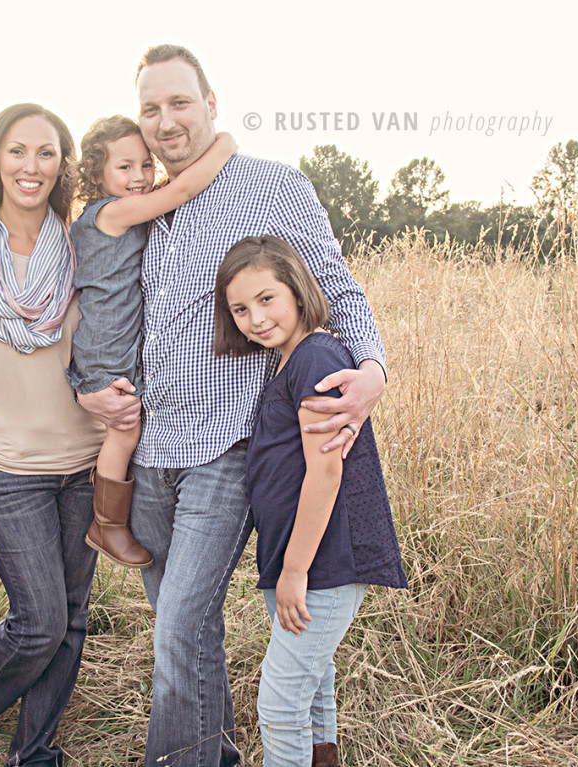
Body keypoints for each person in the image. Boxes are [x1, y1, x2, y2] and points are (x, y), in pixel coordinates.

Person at [76, 45, 388, 766]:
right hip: (148, 448)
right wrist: (84, 383)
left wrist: (372, 365)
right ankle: (220, 751)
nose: (165, 121)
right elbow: (94, 305)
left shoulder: (272, 185)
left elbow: (336, 287)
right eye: (150, 108)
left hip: (226, 442)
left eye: (179, 102)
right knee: (181, 626)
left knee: (180, 622)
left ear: (212, 104)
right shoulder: (138, 201)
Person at [0, 103, 104, 767]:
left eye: (46, 152)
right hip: (8, 466)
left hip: (86, 463)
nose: (31, 166)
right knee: (39, 619)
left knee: (72, 614)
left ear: (63, 165)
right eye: (17, 150)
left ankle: (34, 750)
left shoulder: (86, 245)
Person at [214, 235, 407, 767]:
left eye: (266, 298)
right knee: (315, 685)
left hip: (320, 562)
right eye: (240, 309)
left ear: (297, 290)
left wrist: (294, 569)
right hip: (299, 558)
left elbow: (326, 470)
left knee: (279, 704)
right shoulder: (288, 361)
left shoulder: (316, 356)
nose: (255, 317)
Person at [68, 115, 236, 568]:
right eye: (125, 168)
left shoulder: (118, 209)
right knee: (125, 430)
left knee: (127, 427)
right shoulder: (110, 212)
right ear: (97, 174)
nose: (140, 177)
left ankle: (110, 522)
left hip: (119, 339)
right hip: (107, 343)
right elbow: (179, 192)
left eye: (146, 165)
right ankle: (107, 525)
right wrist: (223, 145)